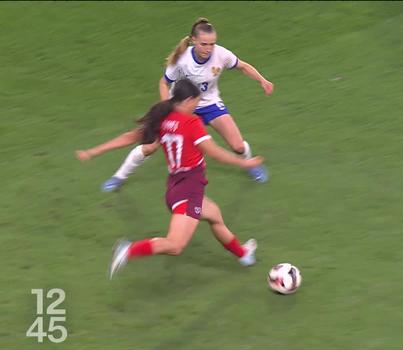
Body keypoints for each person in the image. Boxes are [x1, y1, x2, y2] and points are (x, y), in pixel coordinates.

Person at [81, 17, 273, 191]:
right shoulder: (182, 59)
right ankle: (119, 176)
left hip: (211, 104)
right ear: (193, 40)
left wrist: (262, 80)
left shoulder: (221, 54)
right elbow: (164, 82)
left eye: (212, 44)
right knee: (149, 146)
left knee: (238, 146)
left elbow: (243, 66)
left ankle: (251, 164)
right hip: (182, 107)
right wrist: (168, 108)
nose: (209, 48)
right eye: (204, 44)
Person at [108, 79, 264, 279]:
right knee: (175, 245)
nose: (197, 106)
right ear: (188, 100)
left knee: (215, 217)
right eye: (196, 102)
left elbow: (132, 138)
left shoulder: (162, 119)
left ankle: (243, 254)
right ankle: (129, 250)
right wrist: (245, 163)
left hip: (175, 186)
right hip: (189, 189)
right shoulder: (191, 123)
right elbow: (215, 153)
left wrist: (95, 151)